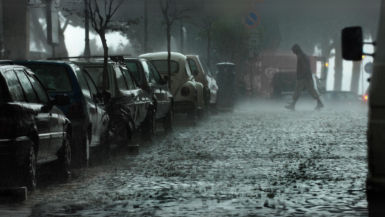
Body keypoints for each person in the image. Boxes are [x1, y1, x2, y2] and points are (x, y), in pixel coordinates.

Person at [285, 44, 324, 110]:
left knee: (298, 90)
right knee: (311, 90)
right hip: (307, 77)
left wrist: (300, 76)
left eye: (294, 51)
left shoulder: (301, 56)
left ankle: (293, 105)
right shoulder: (303, 55)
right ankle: (319, 103)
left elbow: (304, 68)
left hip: (304, 77)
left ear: (296, 50)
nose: (293, 52)